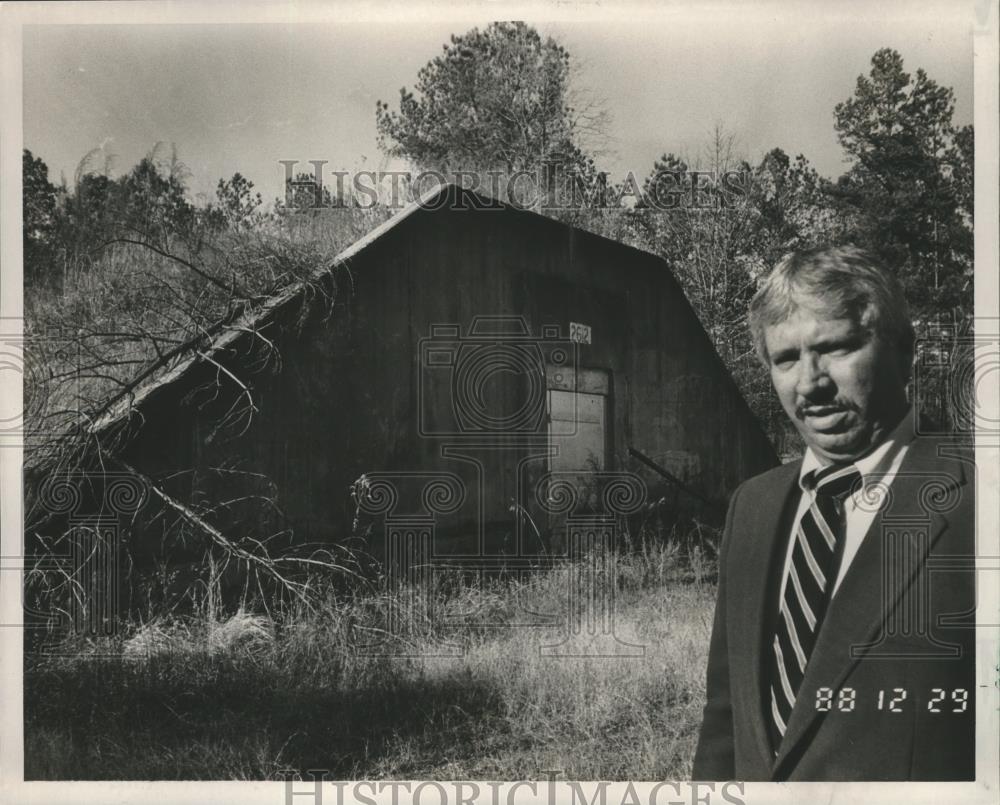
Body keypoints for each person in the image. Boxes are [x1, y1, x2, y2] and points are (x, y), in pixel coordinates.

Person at [692, 246, 976, 781]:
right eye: (785, 359)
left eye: (837, 348)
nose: (810, 384)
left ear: (905, 352)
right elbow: (725, 719)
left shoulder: (980, 503)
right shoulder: (752, 507)